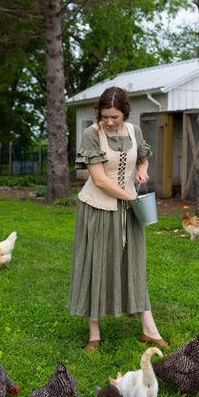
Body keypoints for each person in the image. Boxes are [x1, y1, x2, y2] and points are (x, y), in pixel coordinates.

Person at [68, 86, 167, 352]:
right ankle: (94, 334)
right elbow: (100, 180)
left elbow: (142, 158)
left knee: (134, 264)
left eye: (115, 117)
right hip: (98, 208)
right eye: (104, 116)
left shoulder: (134, 131)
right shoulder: (91, 134)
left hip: (129, 209)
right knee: (95, 263)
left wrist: (142, 172)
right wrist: (130, 197)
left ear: (125, 113)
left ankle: (149, 329)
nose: (109, 122)